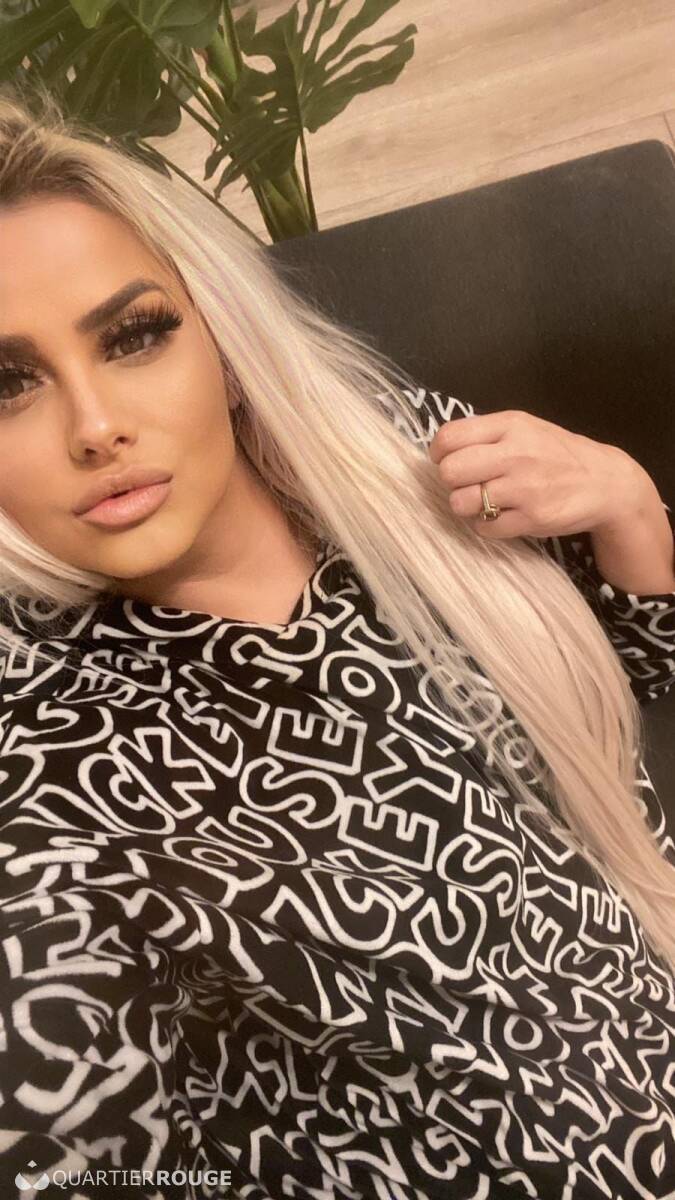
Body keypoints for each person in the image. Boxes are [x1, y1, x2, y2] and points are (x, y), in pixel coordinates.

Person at [0, 84, 674, 1200]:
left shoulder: (405, 466)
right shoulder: (51, 786)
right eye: (7, 384)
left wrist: (631, 506)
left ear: (220, 337)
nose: (96, 426)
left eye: (134, 336)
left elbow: (631, 683)